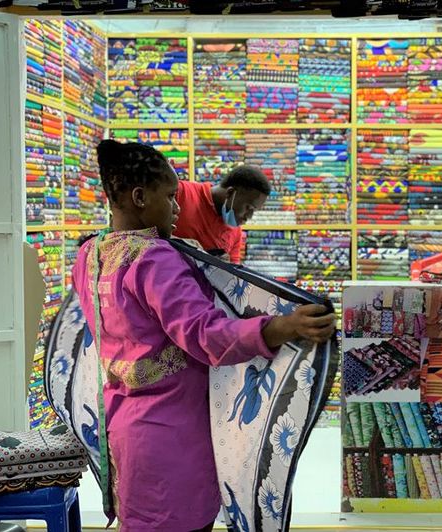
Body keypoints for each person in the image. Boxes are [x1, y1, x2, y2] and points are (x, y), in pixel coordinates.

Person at [72, 139, 335, 531]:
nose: (177, 208)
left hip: (125, 431)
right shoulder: (154, 258)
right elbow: (205, 334)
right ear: (140, 197)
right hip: (173, 437)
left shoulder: (89, 256)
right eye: (170, 197)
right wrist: (284, 326)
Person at [173, 164, 270, 262]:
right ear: (230, 192)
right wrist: (183, 246)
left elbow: (233, 268)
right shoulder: (180, 193)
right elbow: (161, 237)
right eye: (248, 208)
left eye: (254, 211)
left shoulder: (235, 231)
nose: (249, 217)